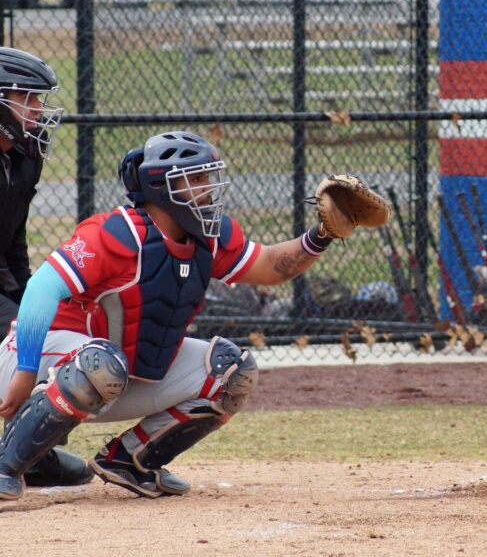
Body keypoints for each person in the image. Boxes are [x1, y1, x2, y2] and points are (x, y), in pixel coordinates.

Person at [0, 130, 379, 501]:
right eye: (195, 178)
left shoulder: (207, 237)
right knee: (101, 362)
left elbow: (269, 266)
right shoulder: (116, 233)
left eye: (209, 177)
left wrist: (321, 235)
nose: (208, 188)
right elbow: (41, 290)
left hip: (108, 371)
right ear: (161, 187)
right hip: (32, 362)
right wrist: (25, 372)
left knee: (231, 370)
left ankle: (132, 460)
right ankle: (5, 465)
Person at [0, 47, 97, 489]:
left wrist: (34, 308)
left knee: (54, 332)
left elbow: (12, 248)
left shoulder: (22, 157)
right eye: (29, 99)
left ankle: (29, 452)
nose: (39, 110)